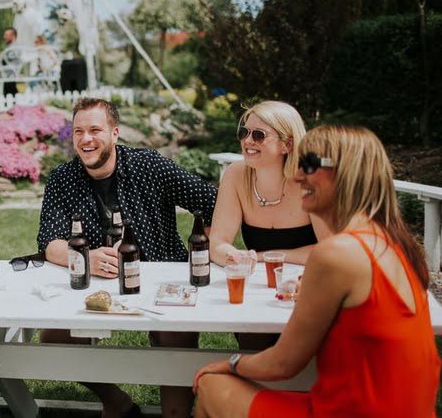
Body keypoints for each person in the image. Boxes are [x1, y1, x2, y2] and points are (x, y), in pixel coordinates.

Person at [192, 125, 440, 418]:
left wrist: (229, 363)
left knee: (211, 384)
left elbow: (283, 364)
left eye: (308, 166)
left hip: (351, 411)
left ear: (345, 174)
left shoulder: (337, 254)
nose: (297, 176)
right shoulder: (396, 244)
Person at [37, 97, 218, 418]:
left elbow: (212, 200)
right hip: (99, 288)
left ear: (115, 133)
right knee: (53, 339)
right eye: (78, 131)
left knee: (175, 411)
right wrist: (85, 257)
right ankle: (117, 401)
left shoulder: (150, 166)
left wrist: (215, 247)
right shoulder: (61, 179)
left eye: (95, 129)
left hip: (163, 283)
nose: (86, 139)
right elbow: (49, 243)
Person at [209, 101, 330, 349]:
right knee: (253, 341)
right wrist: (234, 256)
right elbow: (217, 243)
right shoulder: (235, 175)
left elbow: (331, 252)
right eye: (244, 132)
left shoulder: (312, 179)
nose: (247, 141)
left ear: (287, 144)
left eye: (258, 135)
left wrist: (263, 256)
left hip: (311, 289)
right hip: (260, 291)